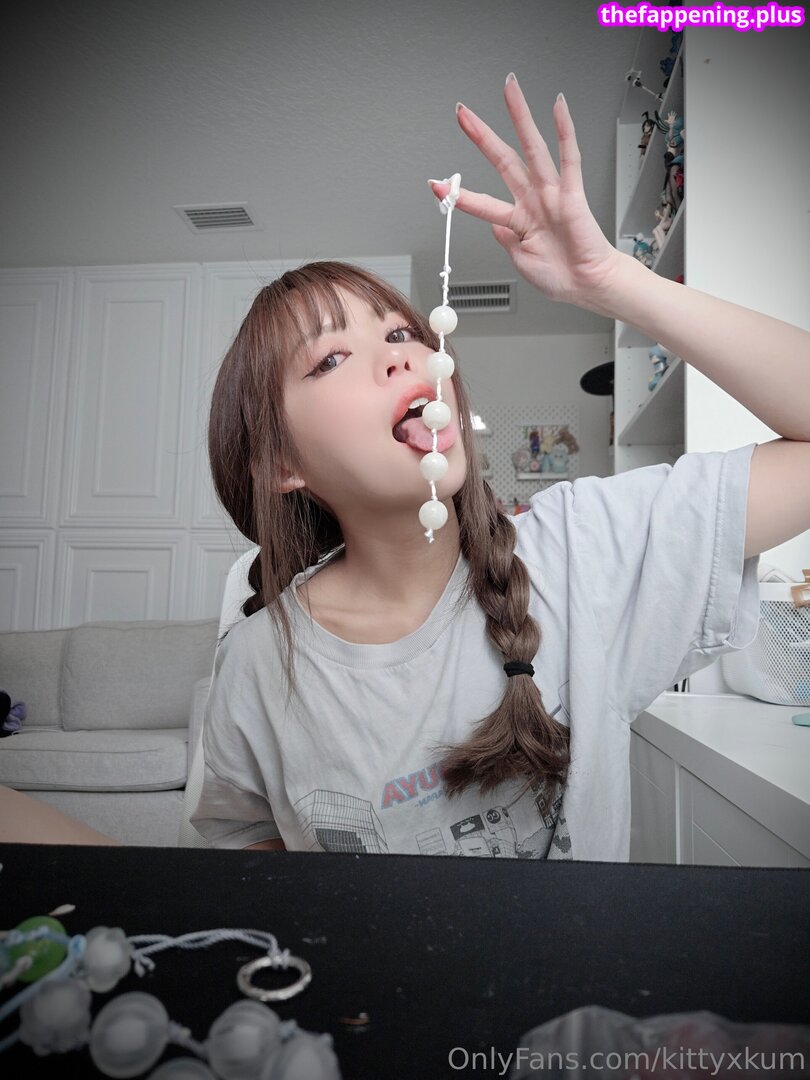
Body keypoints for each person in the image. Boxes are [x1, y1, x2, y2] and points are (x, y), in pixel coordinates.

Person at [2, 76, 808, 853]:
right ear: (282, 463)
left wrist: (616, 284)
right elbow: (253, 864)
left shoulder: (583, 553)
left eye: (400, 334)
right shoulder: (256, 666)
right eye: (330, 359)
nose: (400, 357)